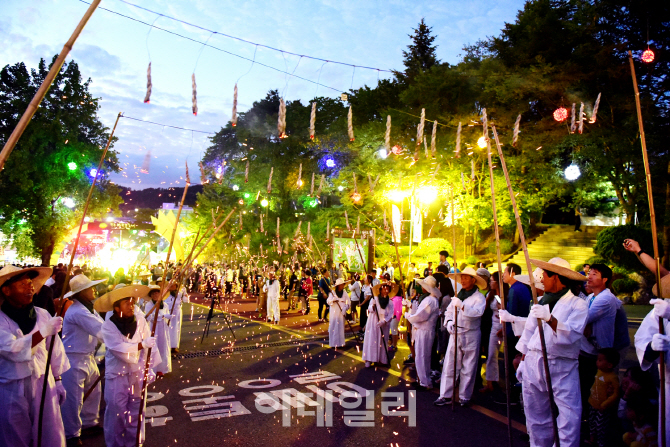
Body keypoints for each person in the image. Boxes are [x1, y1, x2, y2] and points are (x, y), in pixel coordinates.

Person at [515, 257, 588, 447]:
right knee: (536, 416)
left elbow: (572, 334)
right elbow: (529, 333)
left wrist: (550, 319)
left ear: (555, 277)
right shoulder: (541, 301)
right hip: (533, 361)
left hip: (561, 365)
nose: (541, 280)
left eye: (545, 276)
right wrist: (523, 359)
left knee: (568, 417)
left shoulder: (577, 304)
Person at [0, 265, 70, 447]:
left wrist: (59, 379)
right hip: (11, 387)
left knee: (50, 434)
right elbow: (13, 349)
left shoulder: (42, 314)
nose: (29, 287)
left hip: (43, 382)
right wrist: (43, 332)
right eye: (22, 284)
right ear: (6, 290)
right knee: (15, 436)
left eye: (30, 283)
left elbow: (54, 349)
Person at [95, 284, 158, 447]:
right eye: (127, 303)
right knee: (116, 413)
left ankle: (135, 443)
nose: (132, 306)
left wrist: (148, 367)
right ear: (117, 307)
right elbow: (120, 351)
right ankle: (114, 444)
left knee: (137, 412)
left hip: (137, 373)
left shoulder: (140, 319)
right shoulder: (108, 326)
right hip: (117, 376)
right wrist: (141, 345)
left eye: (133, 302)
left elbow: (148, 347)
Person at [61, 274, 108, 446]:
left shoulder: (89, 308)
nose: (93, 290)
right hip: (74, 358)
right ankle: (71, 434)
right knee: (73, 399)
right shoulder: (78, 311)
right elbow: (102, 331)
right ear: (81, 293)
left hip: (88, 356)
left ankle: (90, 423)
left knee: (93, 392)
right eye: (90, 288)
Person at [435, 268, 486, 406]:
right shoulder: (458, 295)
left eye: (466, 278)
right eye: (461, 277)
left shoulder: (479, 298)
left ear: (473, 280)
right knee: (450, 364)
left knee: (468, 366)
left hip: (471, 334)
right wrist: (449, 322)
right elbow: (449, 311)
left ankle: (464, 396)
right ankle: (445, 395)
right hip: (455, 333)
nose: (462, 280)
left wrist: (463, 306)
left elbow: (477, 313)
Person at [579, 263, 619, 417]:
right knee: (588, 388)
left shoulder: (606, 299)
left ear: (605, 279)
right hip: (588, 350)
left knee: (597, 391)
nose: (588, 276)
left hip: (599, 354)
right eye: (589, 273)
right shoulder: (590, 297)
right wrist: (586, 323)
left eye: (594, 274)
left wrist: (586, 323)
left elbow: (583, 317)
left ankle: (597, 427)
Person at [405, 276, 441, 390]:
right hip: (422, 330)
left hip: (425, 331)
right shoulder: (427, 299)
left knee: (423, 356)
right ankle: (421, 379)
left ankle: (425, 382)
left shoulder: (430, 300)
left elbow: (421, 316)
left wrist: (409, 316)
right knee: (421, 356)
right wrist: (410, 306)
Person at [588, 348, 620, 447]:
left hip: (603, 408)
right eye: (598, 359)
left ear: (610, 365)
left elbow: (616, 393)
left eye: (600, 360)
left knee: (600, 426)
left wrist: (605, 404)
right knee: (591, 422)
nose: (597, 362)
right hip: (593, 404)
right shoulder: (599, 371)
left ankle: (601, 443)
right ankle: (592, 439)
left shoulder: (612, 377)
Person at [362, 283, 397, 367]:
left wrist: (384, 321)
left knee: (382, 341)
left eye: (388, 289)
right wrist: (372, 307)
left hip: (384, 324)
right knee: (372, 339)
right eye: (384, 289)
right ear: (380, 290)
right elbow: (369, 309)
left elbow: (391, 313)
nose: (386, 291)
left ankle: (381, 359)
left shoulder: (390, 302)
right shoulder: (375, 299)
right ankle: (369, 359)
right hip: (373, 322)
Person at [481, 271, 504, 394]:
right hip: (494, 325)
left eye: (492, 280)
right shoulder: (490, 294)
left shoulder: (506, 294)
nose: (490, 282)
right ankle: (490, 381)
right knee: (491, 354)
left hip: (505, 323)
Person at [143, 286, 172, 375]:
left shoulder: (165, 305)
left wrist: (167, 317)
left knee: (163, 347)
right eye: (153, 293)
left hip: (163, 329)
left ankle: (162, 369)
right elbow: (149, 317)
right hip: (153, 328)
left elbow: (167, 314)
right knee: (154, 348)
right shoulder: (149, 305)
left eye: (157, 293)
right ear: (150, 296)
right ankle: (153, 369)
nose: (155, 295)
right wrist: (162, 316)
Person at [163, 280, 189, 355]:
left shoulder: (179, 293)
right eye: (171, 285)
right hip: (168, 313)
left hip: (177, 313)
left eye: (174, 285)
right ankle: (167, 345)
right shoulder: (165, 294)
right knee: (168, 329)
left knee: (176, 329)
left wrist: (185, 294)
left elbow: (186, 301)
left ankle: (174, 346)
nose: (172, 287)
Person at [326, 278, 350, 348]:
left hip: (341, 312)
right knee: (333, 326)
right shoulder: (332, 293)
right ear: (338, 285)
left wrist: (345, 308)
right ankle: (333, 343)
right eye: (341, 284)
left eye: (343, 284)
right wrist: (333, 300)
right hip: (334, 312)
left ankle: (340, 343)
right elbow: (328, 301)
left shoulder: (345, 292)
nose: (342, 286)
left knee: (340, 327)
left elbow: (348, 302)